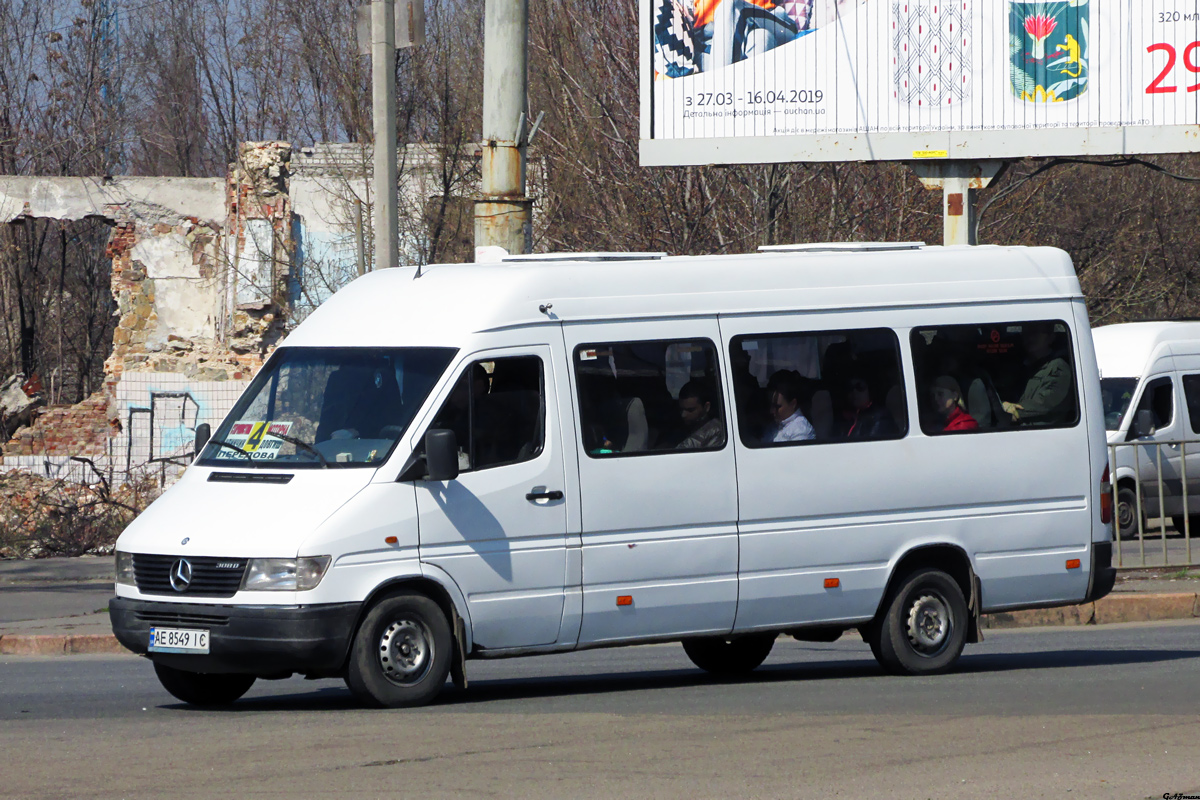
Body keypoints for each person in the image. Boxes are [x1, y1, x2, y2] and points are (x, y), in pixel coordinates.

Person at [1003, 323, 1072, 426]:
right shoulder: (1021, 367)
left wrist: (1012, 411)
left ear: (1051, 337)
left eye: (1035, 332)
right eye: (1025, 332)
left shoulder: (1058, 368)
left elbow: (1045, 403)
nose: (1029, 337)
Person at [840, 373, 898, 440]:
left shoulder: (881, 418)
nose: (854, 391)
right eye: (850, 388)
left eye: (860, 387)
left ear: (870, 391)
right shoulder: (844, 419)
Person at [763, 370, 815, 444]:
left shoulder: (801, 431)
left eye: (777, 406)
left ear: (793, 403)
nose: (772, 411)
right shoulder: (774, 425)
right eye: (771, 405)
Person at [675, 381, 725, 449]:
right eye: (681, 409)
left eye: (690, 410)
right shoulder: (680, 427)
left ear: (706, 407)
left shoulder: (716, 431)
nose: (683, 415)